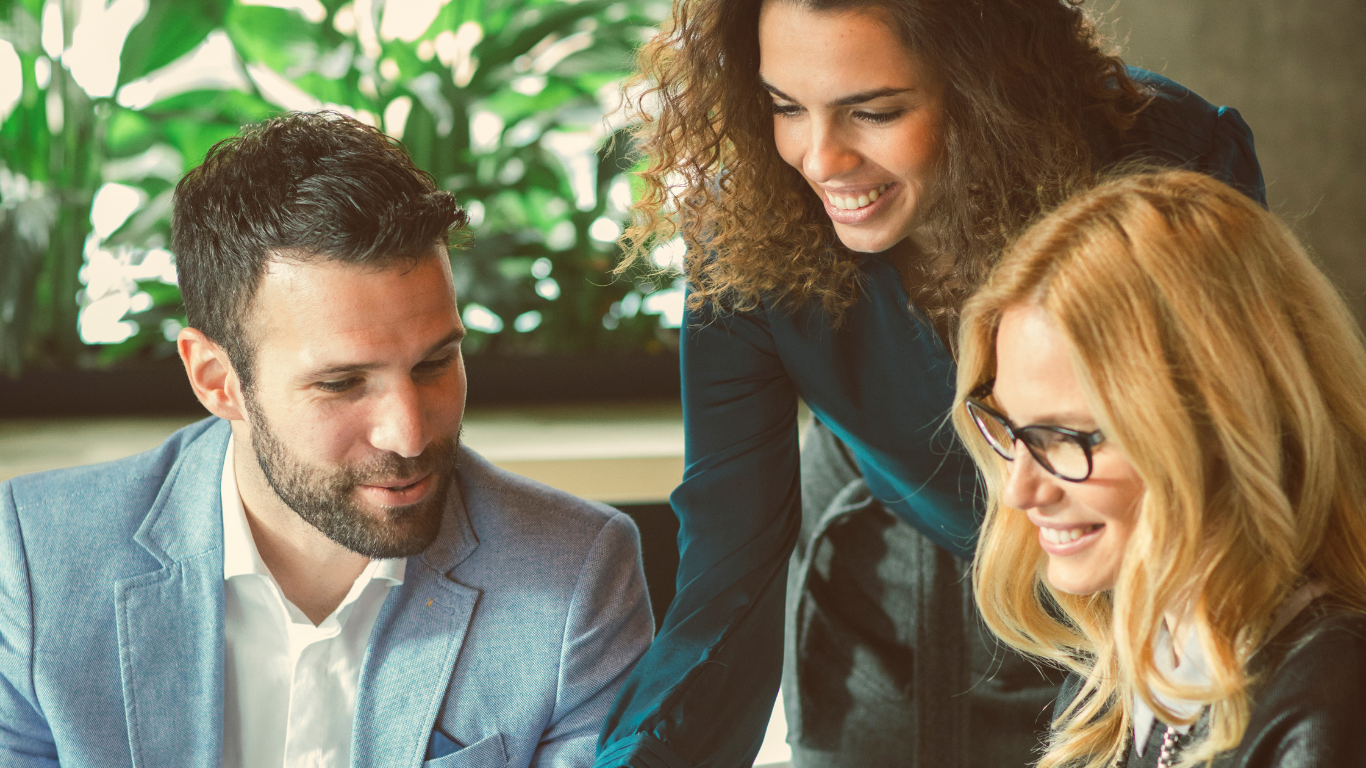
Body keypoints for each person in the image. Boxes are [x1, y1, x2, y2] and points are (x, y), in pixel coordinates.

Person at [596, 1, 1266, 767]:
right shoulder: (744, 226)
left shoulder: (1163, 158)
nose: (820, 159)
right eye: (784, 106)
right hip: (893, 578)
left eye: (874, 112)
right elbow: (727, 581)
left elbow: (1232, 490)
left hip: (1149, 583)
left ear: (986, 84)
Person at [0, 112, 654, 768]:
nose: (409, 432)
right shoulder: (37, 566)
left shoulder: (576, 575)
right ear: (217, 380)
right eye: (342, 383)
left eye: (433, 364)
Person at [953, 169, 1366, 767]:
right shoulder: (1119, 680)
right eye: (1011, 430)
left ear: (1223, 426)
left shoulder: (1334, 703)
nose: (1018, 490)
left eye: (1063, 438)